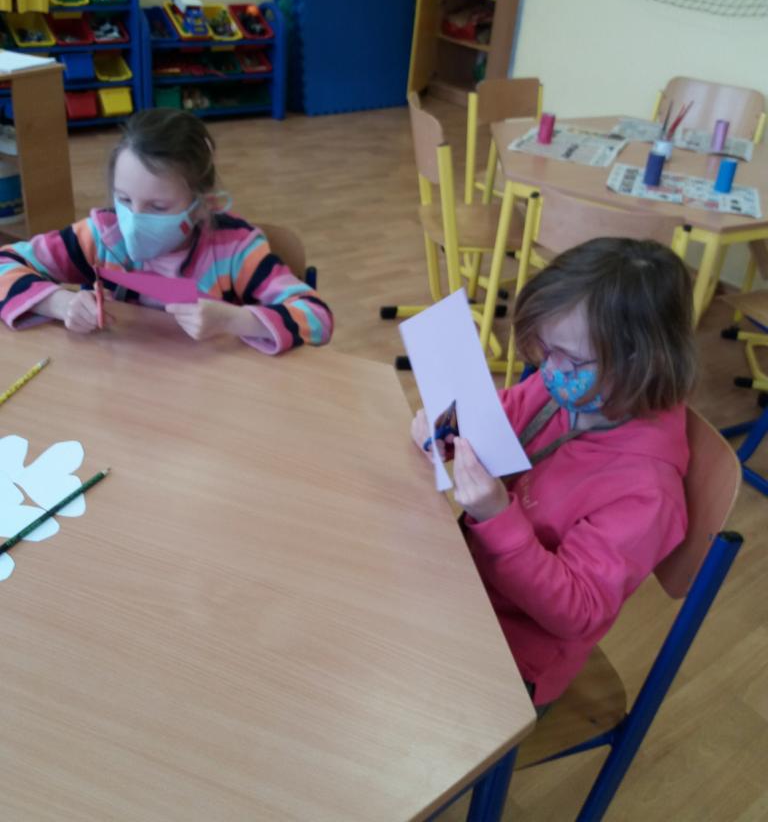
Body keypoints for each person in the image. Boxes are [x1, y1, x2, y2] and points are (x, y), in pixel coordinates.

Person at [412, 238, 695, 708]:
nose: (548, 369)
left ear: (640, 362)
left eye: (568, 357)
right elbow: (500, 416)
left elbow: (576, 612)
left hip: (515, 654)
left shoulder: (647, 493)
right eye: (545, 349)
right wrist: (449, 428)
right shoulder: (570, 390)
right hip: (465, 586)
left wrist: (497, 517)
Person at [0, 109, 333, 354]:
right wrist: (60, 304)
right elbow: (4, 263)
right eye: (124, 199)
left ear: (202, 204)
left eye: (158, 207)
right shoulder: (103, 236)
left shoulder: (235, 248)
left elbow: (317, 317)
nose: (134, 219)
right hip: (124, 383)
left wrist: (234, 320)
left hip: (212, 394)